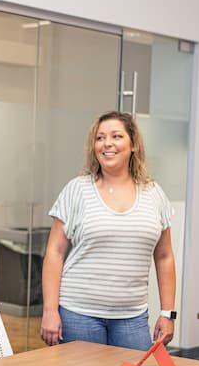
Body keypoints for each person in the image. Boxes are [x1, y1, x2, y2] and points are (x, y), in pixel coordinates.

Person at [39, 111, 176, 351]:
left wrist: (168, 313)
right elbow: (54, 252)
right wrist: (50, 311)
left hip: (132, 318)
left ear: (133, 145)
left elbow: (164, 256)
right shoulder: (77, 190)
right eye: (100, 138)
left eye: (116, 136)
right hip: (78, 314)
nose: (107, 143)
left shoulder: (154, 194)